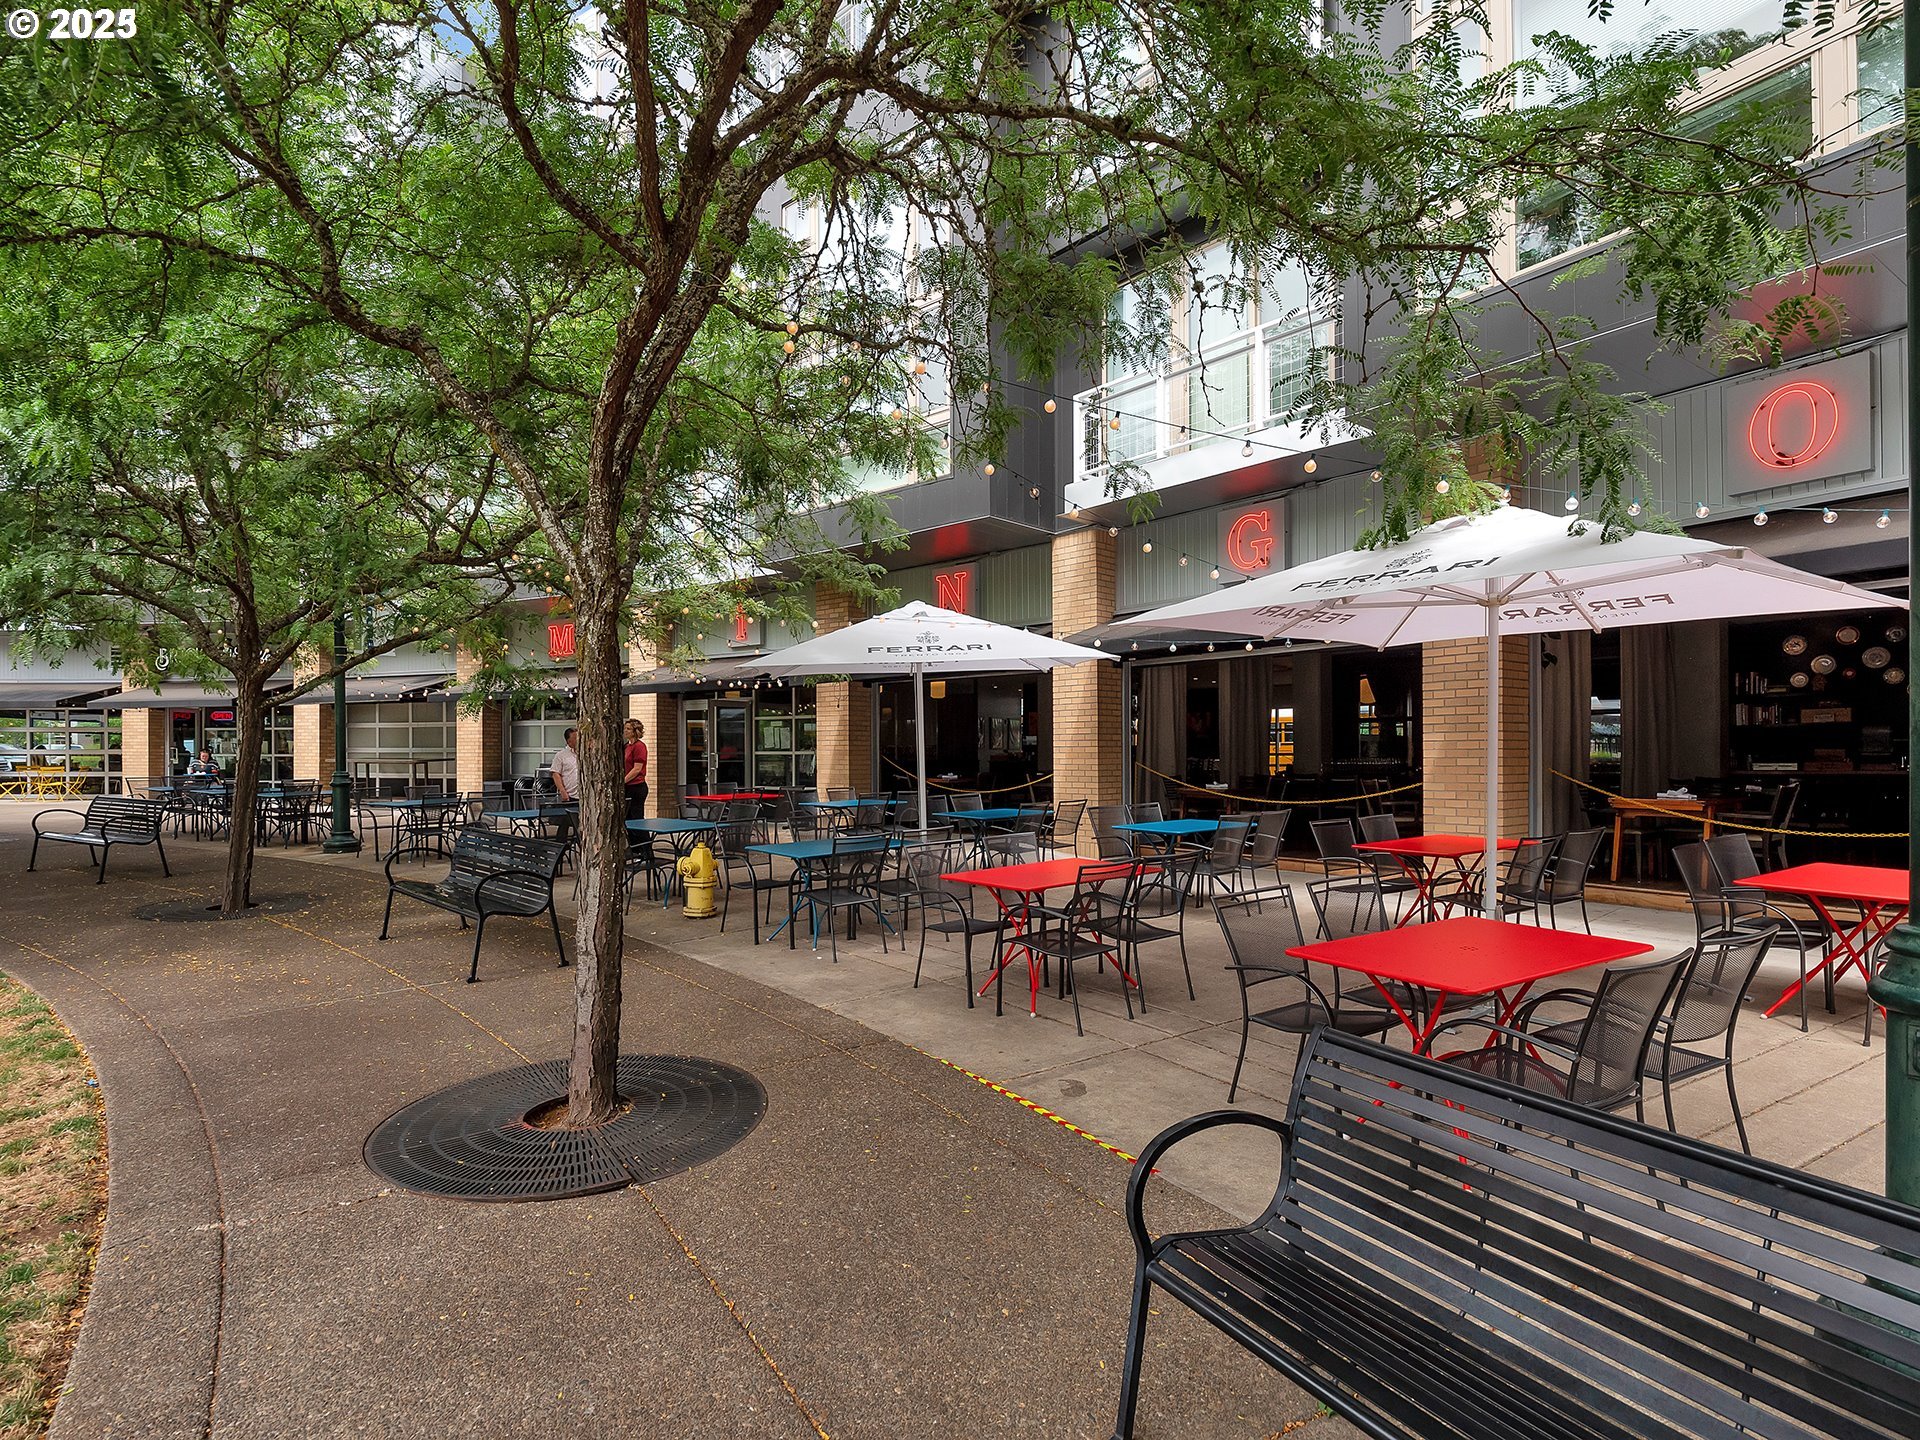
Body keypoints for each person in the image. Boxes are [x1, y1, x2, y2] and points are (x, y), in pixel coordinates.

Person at [549, 728, 580, 843]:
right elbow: (556, 774)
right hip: (569, 795)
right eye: (575, 738)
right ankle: (560, 848)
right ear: (568, 741)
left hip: (582, 796)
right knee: (564, 824)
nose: (578, 740)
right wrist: (562, 791)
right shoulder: (561, 755)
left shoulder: (584, 753)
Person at [623, 719, 649, 821]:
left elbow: (637, 769)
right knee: (627, 816)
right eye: (625, 728)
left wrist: (623, 781)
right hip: (627, 786)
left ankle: (643, 837)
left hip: (636, 786)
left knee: (636, 816)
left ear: (635, 731)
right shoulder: (626, 746)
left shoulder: (639, 746)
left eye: (628, 729)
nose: (625, 731)